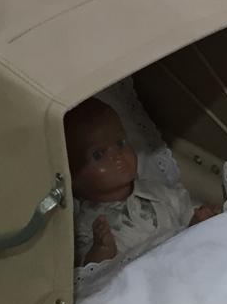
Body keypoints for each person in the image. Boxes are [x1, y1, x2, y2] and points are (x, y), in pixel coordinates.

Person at [64, 95, 214, 267]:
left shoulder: (158, 191)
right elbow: (87, 275)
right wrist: (101, 251)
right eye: (98, 154)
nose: (117, 155)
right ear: (71, 176)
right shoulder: (85, 225)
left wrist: (200, 220)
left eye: (120, 143)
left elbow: (187, 214)